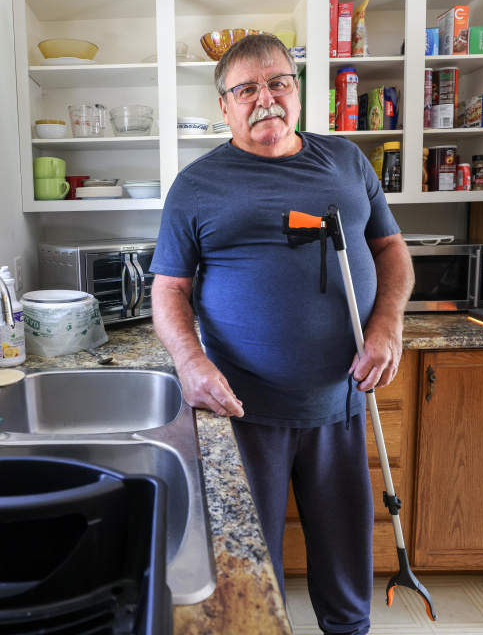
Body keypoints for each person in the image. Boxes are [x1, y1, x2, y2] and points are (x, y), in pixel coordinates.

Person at [150, 33, 413, 635]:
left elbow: (392, 249)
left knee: (347, 564)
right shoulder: (195, 186)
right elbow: (168, 290)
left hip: (342, 400)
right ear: (224, 105)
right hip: (243, 410)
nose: (264, 98)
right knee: (248, 570)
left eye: (277, 83)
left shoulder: (347, 161)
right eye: (246, 89)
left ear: (297, 92)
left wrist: (387, 323)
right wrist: (191, 364)